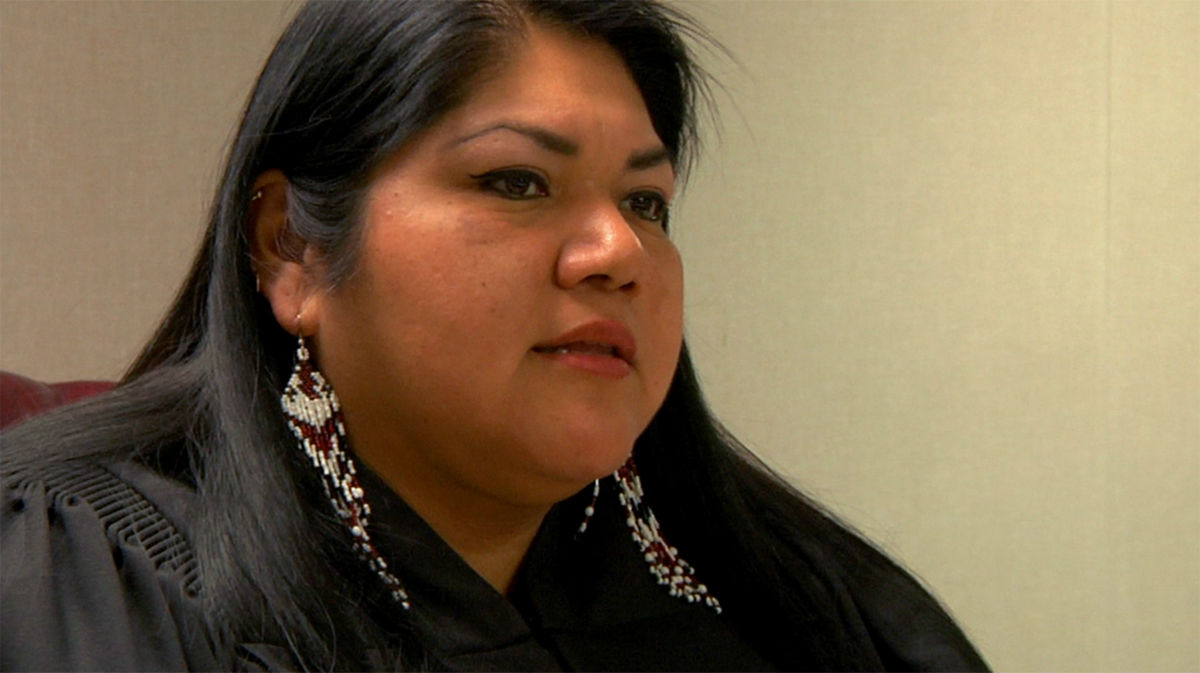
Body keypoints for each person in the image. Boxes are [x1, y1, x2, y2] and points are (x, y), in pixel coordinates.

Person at [0, 1, 988, 670]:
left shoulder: (803, 601)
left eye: (647, 202)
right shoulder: (95, 571)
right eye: (517, 182)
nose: (617, 249)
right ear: (291, 246)